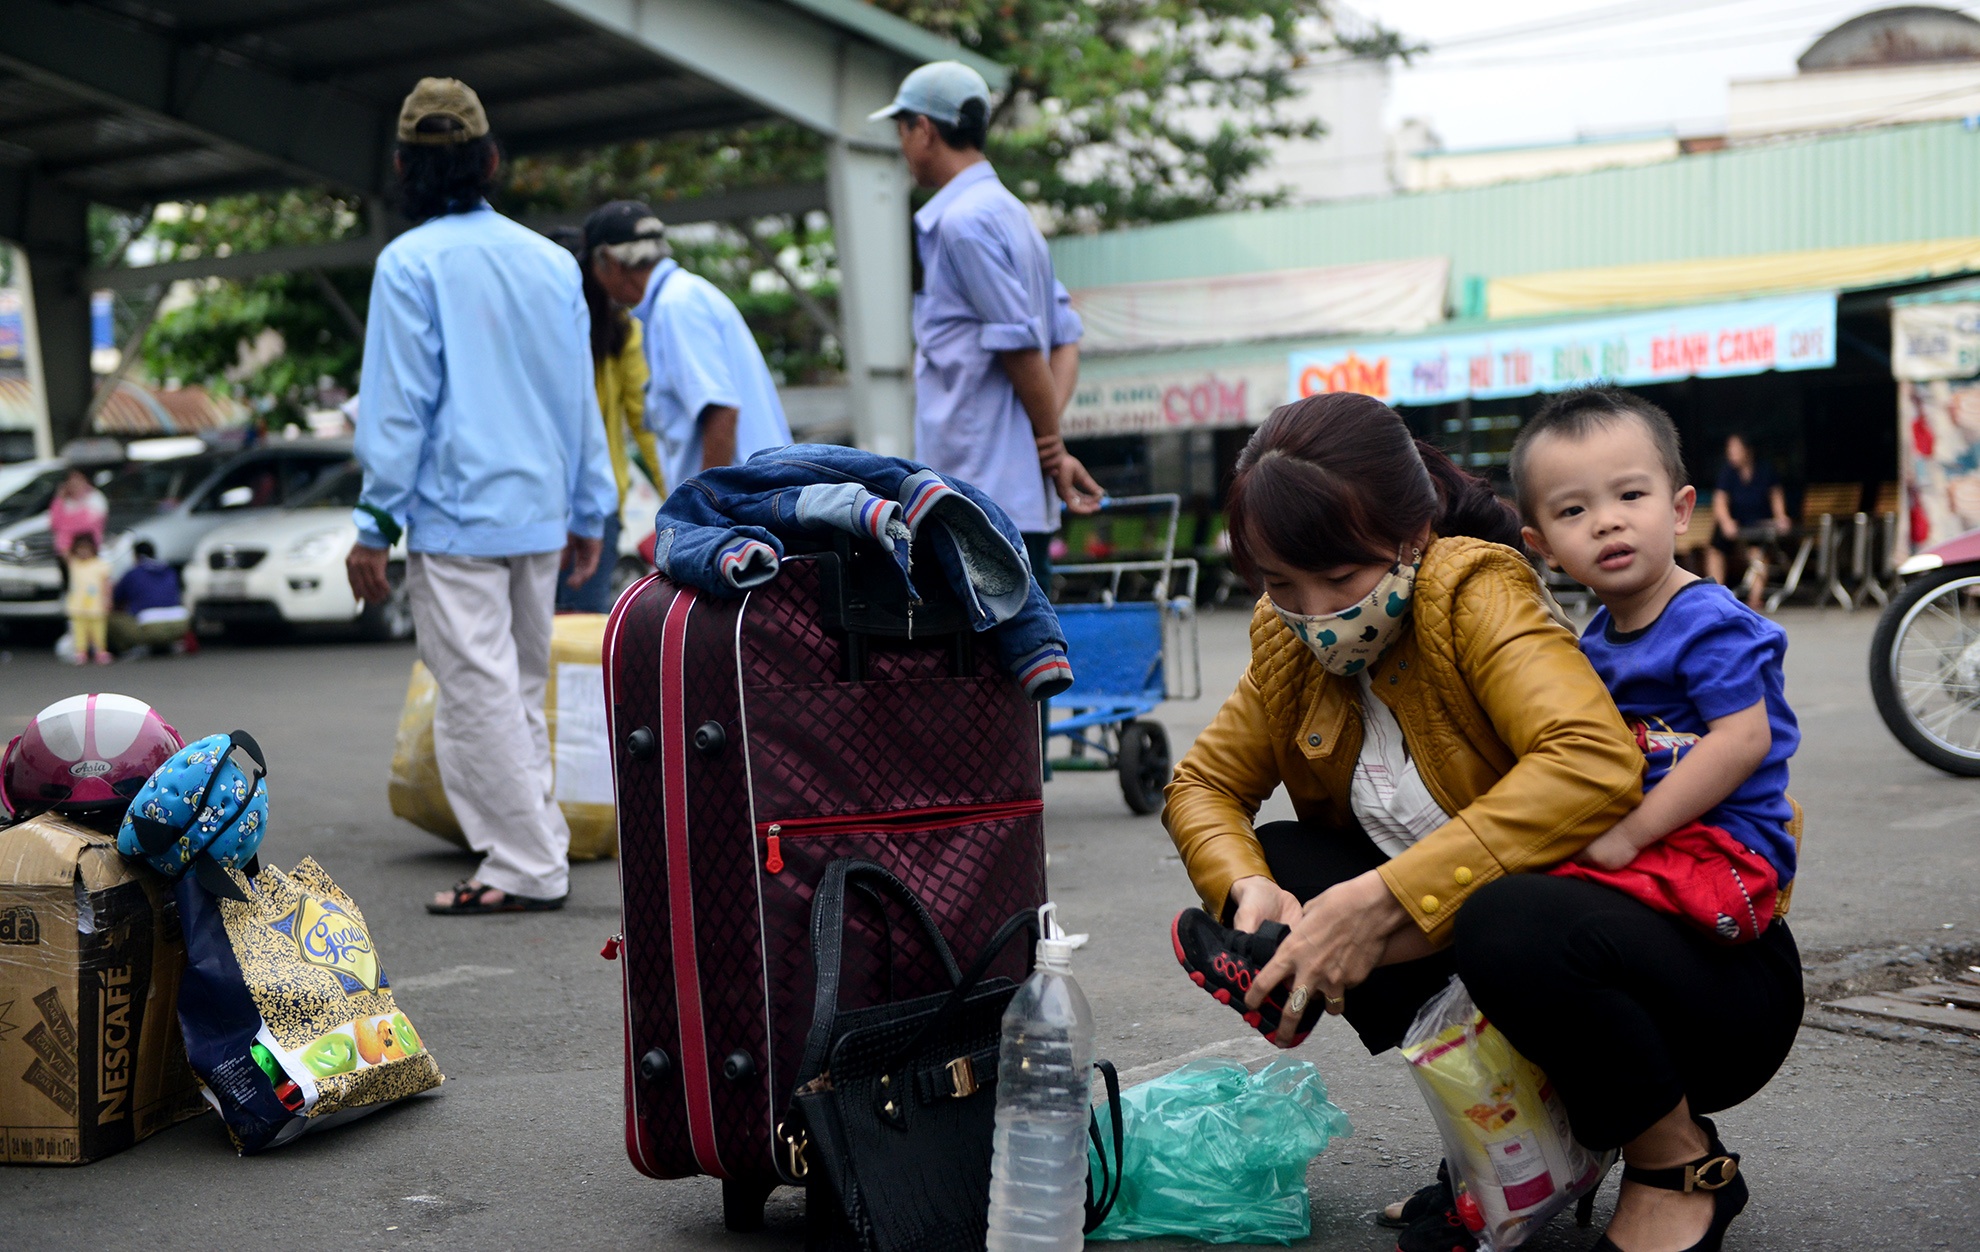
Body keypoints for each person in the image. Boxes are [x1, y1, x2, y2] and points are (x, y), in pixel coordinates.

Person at [1164, 394, 1800, 1252]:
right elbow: (1202, 783)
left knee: (1501, 916)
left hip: (1700, 976)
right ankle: (1516, 1147)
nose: (1315, 612)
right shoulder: (1288, 641)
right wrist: (1249, 889)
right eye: (1281, 583)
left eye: (1342, 580)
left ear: (1412, 536)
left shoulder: (1475, 591)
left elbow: (1590, 761)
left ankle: (1677, 1162)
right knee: (1291, 865)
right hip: (1525, 951)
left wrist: (1379, 900)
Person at [345, 76, 616, 916]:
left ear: (403, 167)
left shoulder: (409, 264)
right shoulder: (551, 262)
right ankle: (534, 846)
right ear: (491, 160)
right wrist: (589, 507)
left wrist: (373, 525)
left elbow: (399, 409)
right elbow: (579, 396)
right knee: (520, 689)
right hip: (539, 516)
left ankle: (525, 863)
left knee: (476, 695)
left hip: (456, 518)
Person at [1515, 388, 1800, 947]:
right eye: (1573, 510)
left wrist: (1628, 837)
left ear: (1679, 510)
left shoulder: (1709, 623)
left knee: (1537, 912)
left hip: (1725, 849)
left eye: (1630, 495)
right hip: (1659, 839)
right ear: (1542, 545)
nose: (1606, 522)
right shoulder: (1596, 639)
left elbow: (1743, 740)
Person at [874, 60, 1102, 584]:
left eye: (902, 129)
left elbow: (1019, 346)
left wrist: (1050, 443)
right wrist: (1048, 441)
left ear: (923, 129)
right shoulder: (1012, 214)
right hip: (1012, 495)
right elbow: (1064, 338)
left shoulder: (963, 222)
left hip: (976, 498)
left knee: (988, 638)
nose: (902, 145)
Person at [584, 201, 792, 494]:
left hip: (743, 502)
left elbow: (721, 411)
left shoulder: (676, 306)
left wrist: (702, 505)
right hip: (755, 494)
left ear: (608, 260)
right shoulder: (681, 296)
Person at [550, 225, 661, 614]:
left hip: (540, 501)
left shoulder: (537, 335)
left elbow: (645, 423)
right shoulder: (622, 330)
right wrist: (681, 497)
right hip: (598, 502)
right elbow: (646, 423)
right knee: (581, 630)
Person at [1704, 433, 1792, 609]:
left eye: (1735, 449)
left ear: (1748, 450)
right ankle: (1716, 593)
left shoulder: (1765, 470)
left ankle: (1754, 597)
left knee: (1758, 553)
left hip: (1757, 522)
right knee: (1715, 548)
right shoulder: (1728, 473)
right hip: (1735, 521)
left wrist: (1781, 516)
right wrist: (1727, 522)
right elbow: (1720, 500)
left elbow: (1775, 495)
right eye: (1729, 449)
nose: (1731, 453)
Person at [109, 539, 192, 655]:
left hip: (150, 627)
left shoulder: (133, 573)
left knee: (112, 619)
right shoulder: (170, 570)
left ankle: (132, 648)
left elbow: (116, 598)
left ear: (135, 556)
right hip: (181, 625)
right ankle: (168, 644)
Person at [63, 532, 112, 665]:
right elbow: (63, 551)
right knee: (79, 630)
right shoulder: (74, 563)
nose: (83, 552)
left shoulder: (100, 564)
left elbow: (106, 584)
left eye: (86, 549)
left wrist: (107, 599)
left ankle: (100, 651)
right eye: (80, 549)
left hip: (96, 605)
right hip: (77, 605)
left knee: (98, 630)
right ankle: (81, 651)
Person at [48, 468, 106, 559]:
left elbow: (88, 525)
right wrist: (59, 499)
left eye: (78, 480)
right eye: (71, 481)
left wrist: (66, 525)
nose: (74, 484)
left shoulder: (94, 498)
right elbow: (55, 524)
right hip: (66, 553)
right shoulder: (64, 501)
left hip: (88, 550)